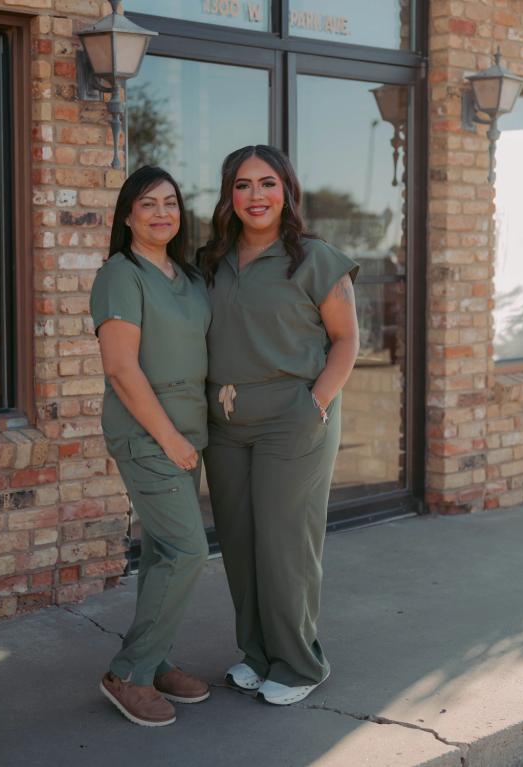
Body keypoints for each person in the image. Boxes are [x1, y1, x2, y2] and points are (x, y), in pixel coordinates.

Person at [199, 145, 360, 706]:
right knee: (240, 545)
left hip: (293, 419)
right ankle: (258, 655)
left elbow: (346, 341)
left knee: (285, 545)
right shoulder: (212, 260)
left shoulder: (315, 258)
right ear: (229, 195)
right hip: (226, 421)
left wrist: (315, 404)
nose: (255, 196)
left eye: (266, 184)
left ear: (286, 190)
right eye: (242, 186)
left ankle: (298, 664)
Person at [90, 165, 211, 727]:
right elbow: (120, 368)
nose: (161, 213)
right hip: (148, 436)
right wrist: (169, 439)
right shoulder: (121, 273)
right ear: (126, 216)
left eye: (170, 203)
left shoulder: (187, 277)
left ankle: (157, 660)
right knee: (188, 550)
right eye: (147, 204)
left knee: (165, 551)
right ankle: (129, 672)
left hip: (189, 434)